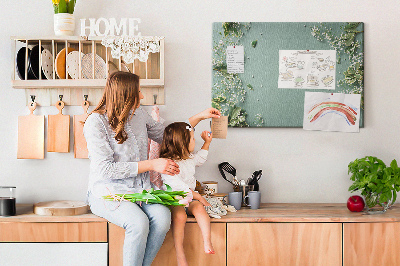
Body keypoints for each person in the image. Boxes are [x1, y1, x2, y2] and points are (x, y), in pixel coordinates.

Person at [83, 71, 221, 266]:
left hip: (142, 191)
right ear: (126, 95)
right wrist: (151, 164)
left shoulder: (139, 114)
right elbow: (105, 169)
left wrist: (199, 116)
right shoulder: (96, 123)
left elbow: (168, 135)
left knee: (163, 219)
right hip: (108, 193)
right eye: (138, 91)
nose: (142, 96)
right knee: (138, 224)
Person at [159, 122, 215, 266]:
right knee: (180, 216)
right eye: (192, 138)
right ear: (181, 143)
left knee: (200, 210)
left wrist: (207, 143)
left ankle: (207, 241)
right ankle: (180, 253)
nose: (194, 141)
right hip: (175, 198)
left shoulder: (189, 158)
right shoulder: (168, 163)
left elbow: (201, 159)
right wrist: (199, 196)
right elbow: (177, 187)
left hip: (190, 198)